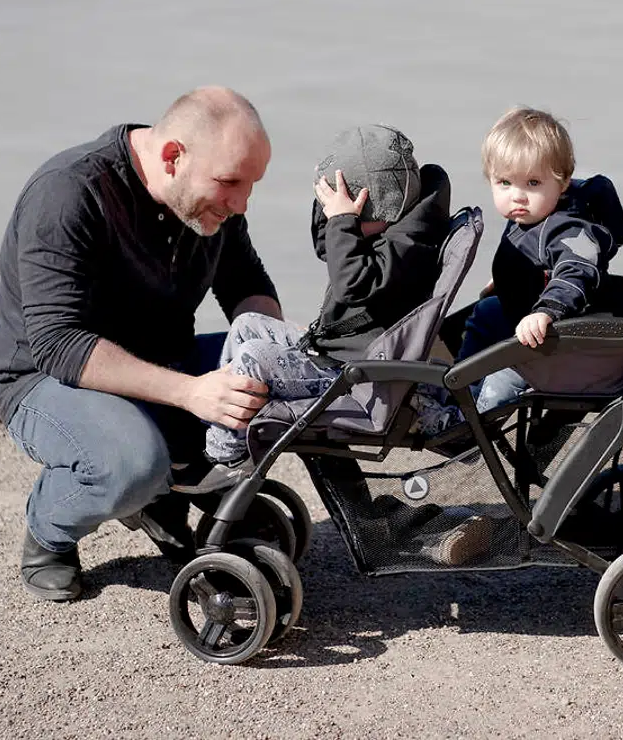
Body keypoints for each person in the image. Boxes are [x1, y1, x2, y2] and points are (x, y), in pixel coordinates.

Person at [0, 86, 282, 602]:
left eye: (251, 186)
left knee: (277, 377)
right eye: (230, 182)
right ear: (173, 158)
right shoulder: (68, 194)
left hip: (160, 362)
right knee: (131, 465)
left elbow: (247, 286)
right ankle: (48, 532)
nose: (240, 203)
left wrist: (269, 350)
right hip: (45, 378)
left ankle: (174, 492)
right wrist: (192, 393)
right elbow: (60, 344)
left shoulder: (209, 203)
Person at [175, 124, 459, 494]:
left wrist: (344, 221)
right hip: (334, 354)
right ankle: (224, 435)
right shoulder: (396, 228)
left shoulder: (409, 248)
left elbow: (352, 284)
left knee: (254, 355)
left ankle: (228, 456)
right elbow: (328, 249)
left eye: (356, 216)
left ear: (379, 209)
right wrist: (333, 212)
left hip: (352, 377)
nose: (346, 225)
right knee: (246, 324)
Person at [457, 108, 623, 412]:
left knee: (504, 378)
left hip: (564, 337)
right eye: (504, 183)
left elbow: (576, 272)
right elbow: (530, 257)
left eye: (533, 183)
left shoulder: (568, 229)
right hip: (525, 316)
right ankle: (459, 387)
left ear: (562, 183)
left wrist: (548, 310)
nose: (517, 196)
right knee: (485, 312)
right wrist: (509, 280)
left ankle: (470, 429)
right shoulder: (529, 214)